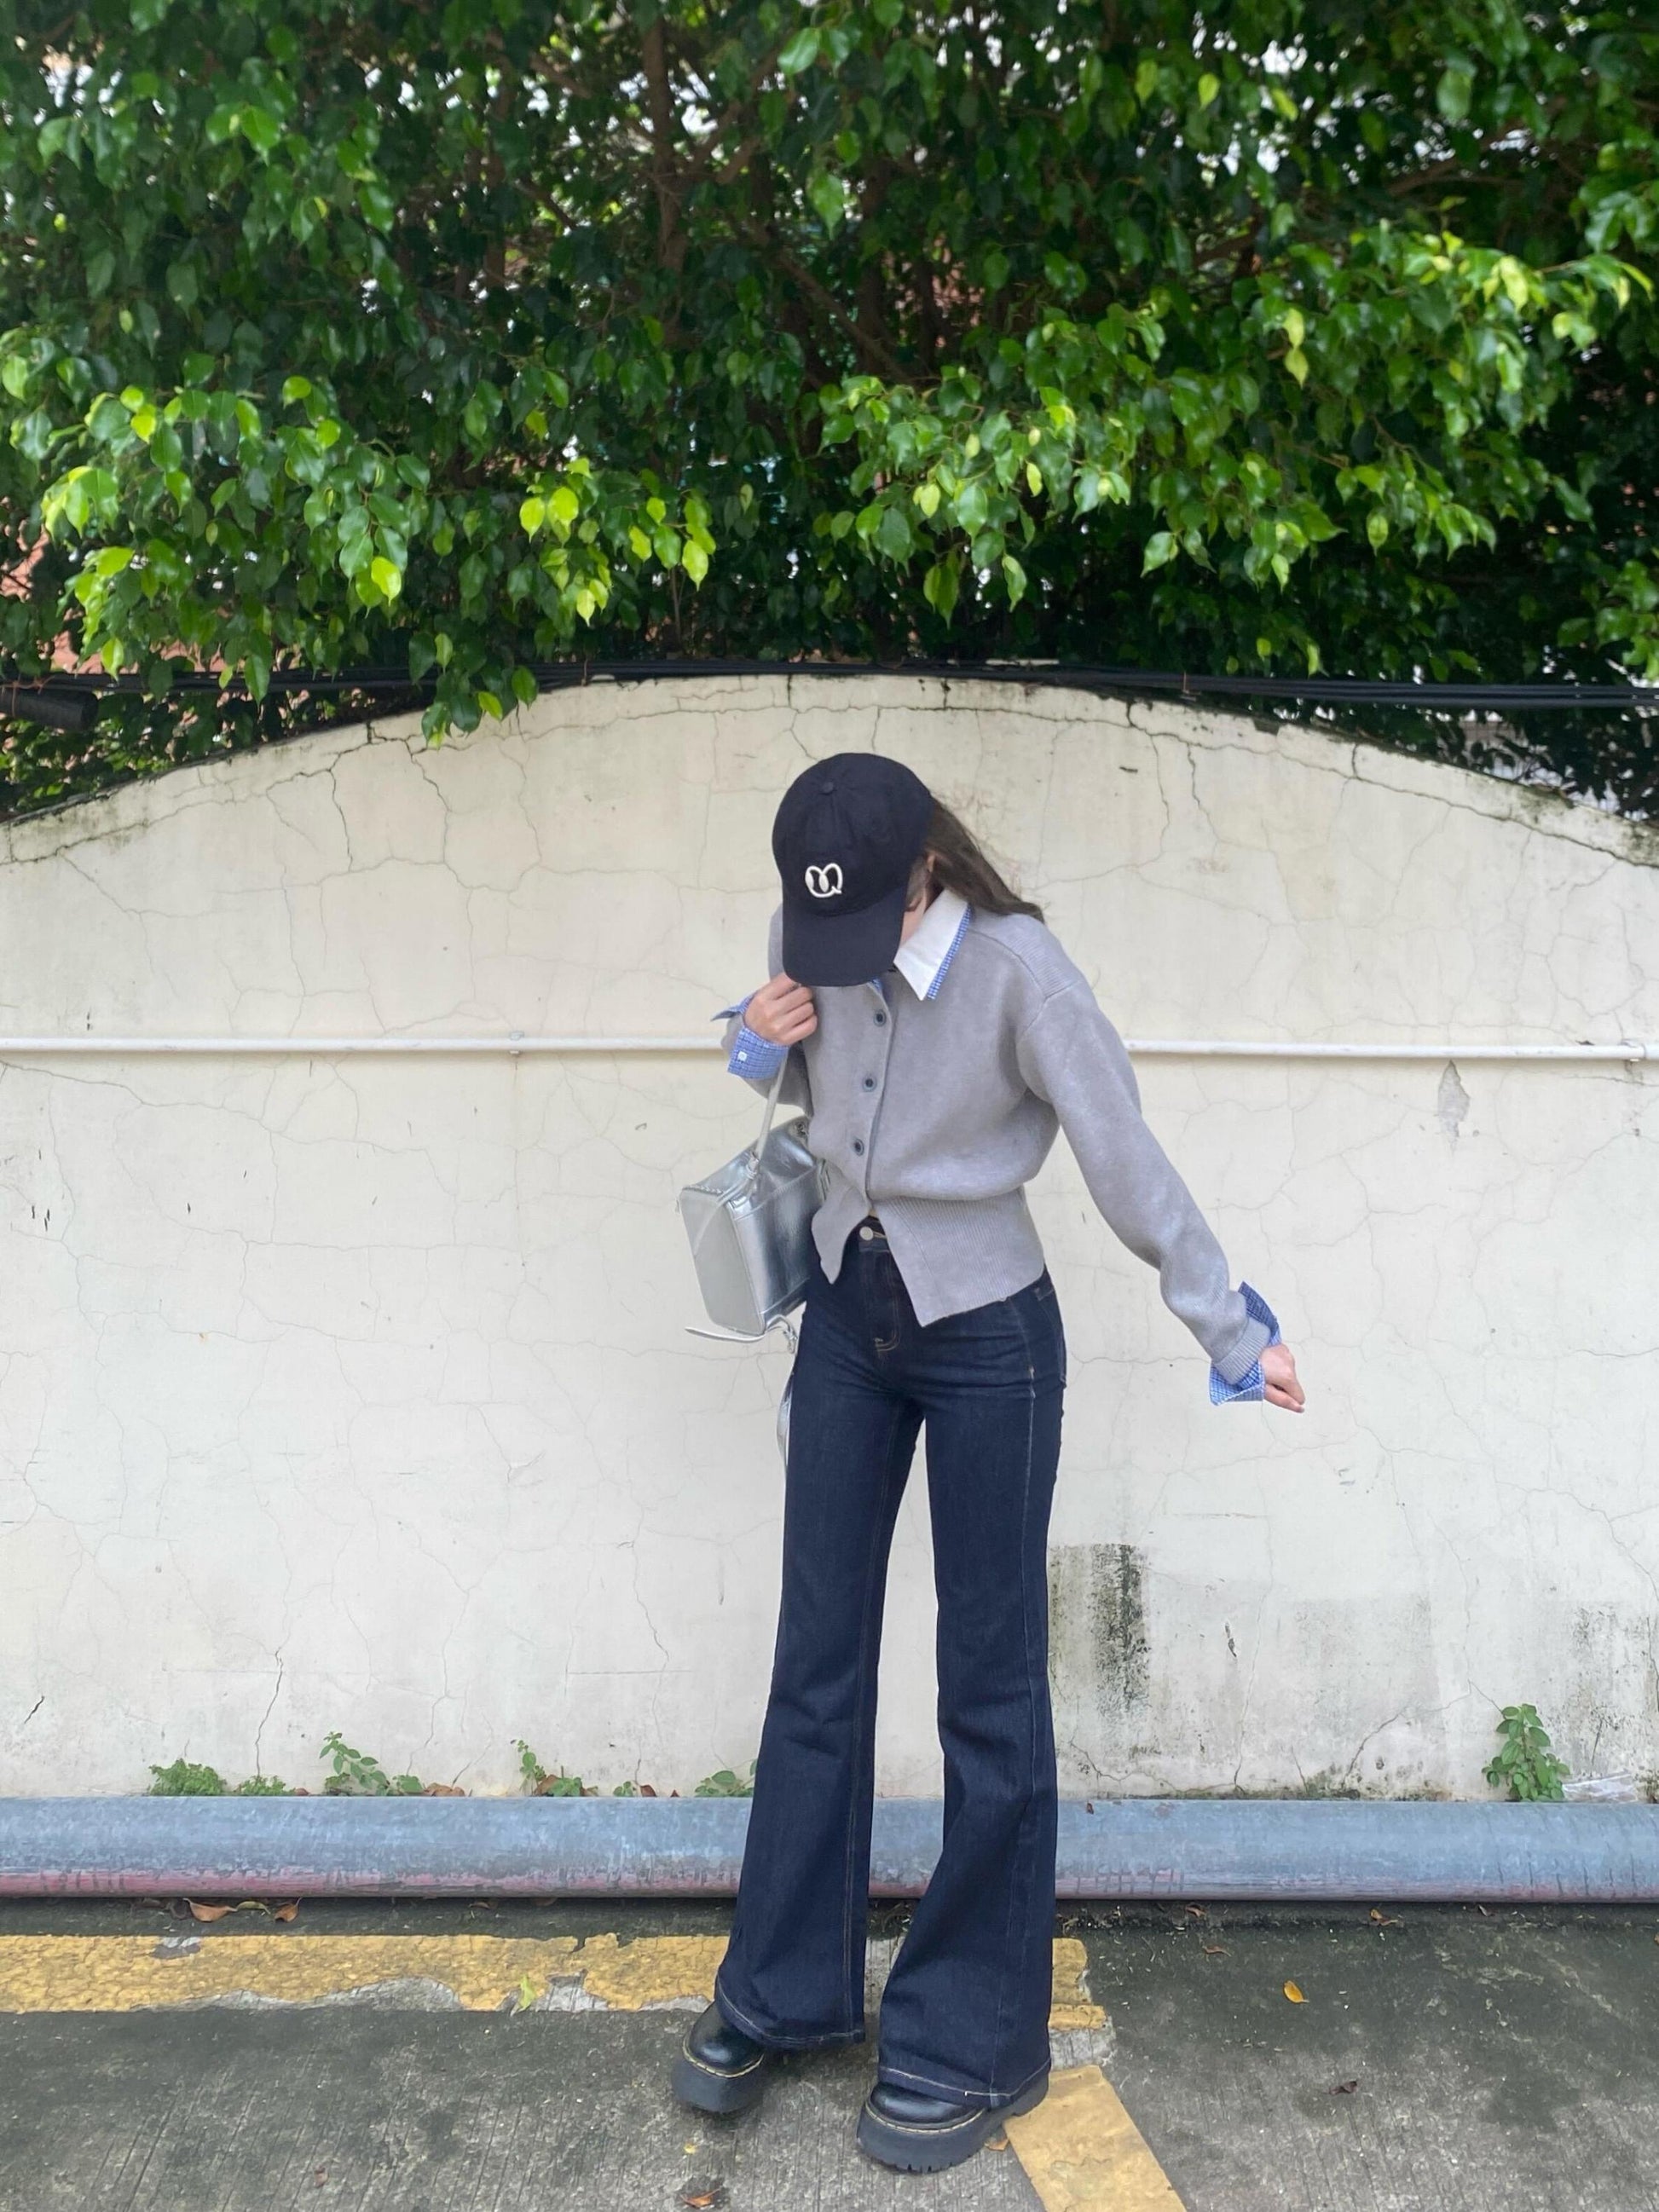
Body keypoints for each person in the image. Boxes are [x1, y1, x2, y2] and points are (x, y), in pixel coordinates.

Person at [673, 753, 1304, 2172]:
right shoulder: (816, 923)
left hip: (987, 1341)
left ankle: (969, 2037)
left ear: (928, 869)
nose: (835, 946)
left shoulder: (1023, 972)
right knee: (814, 1659)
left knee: (989, 1684)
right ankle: (779, 1991)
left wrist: (1229, 1329)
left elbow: (1123, 1155)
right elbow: (795, 1088)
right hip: (844, 1316)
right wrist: (756, 1041)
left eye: (864, 918)